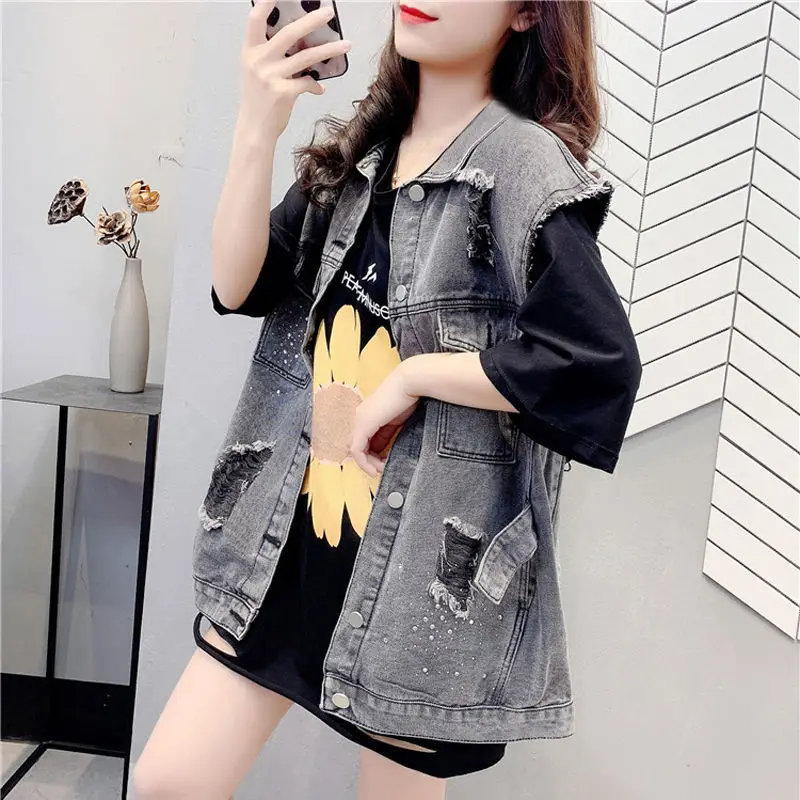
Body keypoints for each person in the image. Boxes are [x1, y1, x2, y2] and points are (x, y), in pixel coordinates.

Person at [133, 1, 643, 798]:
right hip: (287, 548)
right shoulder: (370, 146)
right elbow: (239, 284)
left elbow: (592, 364)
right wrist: (256, 125)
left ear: (525, 14)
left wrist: (415, 375)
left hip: (411, 593)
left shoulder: (522, 163)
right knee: (169, 782)